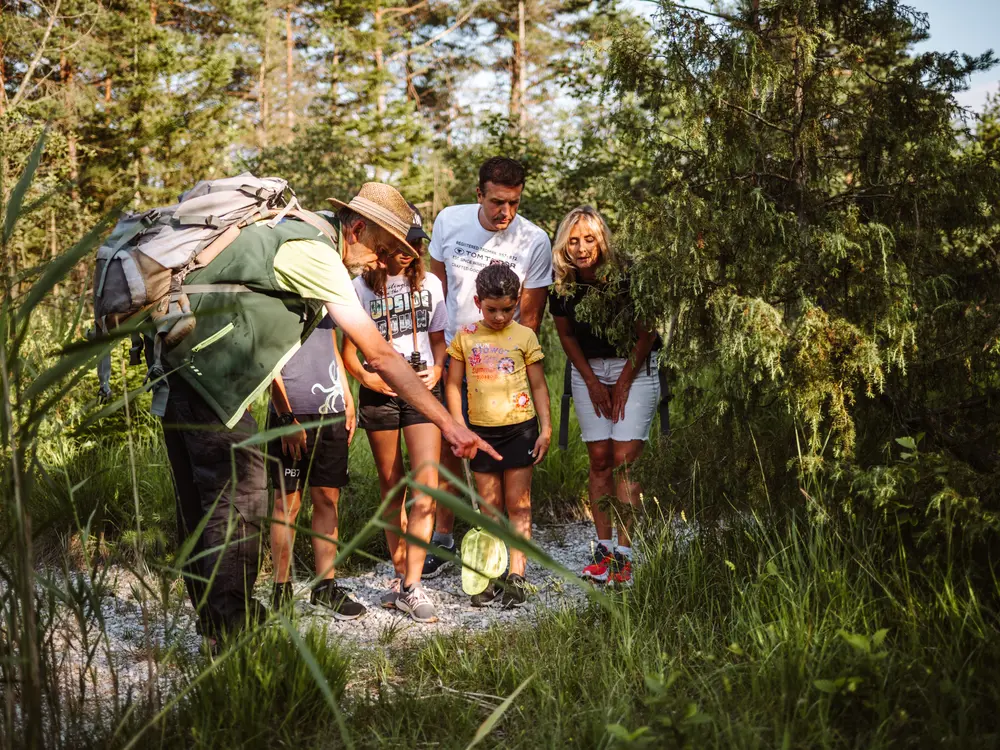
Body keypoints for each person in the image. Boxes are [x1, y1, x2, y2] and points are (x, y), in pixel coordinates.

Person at [159, 182, 498, 646]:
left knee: (203, 502)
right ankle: (229, 631)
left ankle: (215, 626)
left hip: (180, 368)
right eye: (381, 250)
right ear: (356, 228)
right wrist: (449, 423)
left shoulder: (295, 230)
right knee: (242, 496)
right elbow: (378, 354)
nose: (382, 264)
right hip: (209, 380)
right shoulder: (317, 254)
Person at [424, 157, 553, 577]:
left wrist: (502, 372)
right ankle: (441, 539)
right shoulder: (449, 221)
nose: (506, 213)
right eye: (497, 202)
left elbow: (530, 318)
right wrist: (439, 356)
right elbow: (435, 290)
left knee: (503, 471)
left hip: (500, 371)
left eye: (514, 203)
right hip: (451, 355)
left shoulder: (534, 240)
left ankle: (509, 560)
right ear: (478, 194)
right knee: (447, 448)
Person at [342, 204, 445, 623]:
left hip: (421, 389)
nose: (408, 252)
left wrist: (437, 370)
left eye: (415, 244)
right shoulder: (358, 286)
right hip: (381, 392)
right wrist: (365, 380)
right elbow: (348, 352)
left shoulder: (432, 285)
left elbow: (440, 340)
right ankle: (401, 570)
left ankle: (413, 584)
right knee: (392, 485)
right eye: (402, 244)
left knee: (427, 484)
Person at [549, 206, 661, 586]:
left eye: (589, 239)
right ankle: (602, 548)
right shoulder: (563, 284)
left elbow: (647, 332)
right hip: (589, 370)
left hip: (635, 364)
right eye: (574, 240)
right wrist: (594, 383)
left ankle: (624, 557)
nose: (581, 248)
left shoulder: (627, 276)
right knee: (599, 460)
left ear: (602, 239)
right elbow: (566, 336)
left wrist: (624, 380)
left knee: (624, 459)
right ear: (565, 245)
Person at [445, 264, 552, 607]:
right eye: (492, 309)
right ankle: (491, 574)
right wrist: (458, 427)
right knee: (489, 508)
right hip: (481, 435)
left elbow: (538, 384)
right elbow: (451, 384)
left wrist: (546, 428)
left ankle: (517, 576)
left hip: (520, 429)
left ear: (517, 301)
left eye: (508, 308)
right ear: (478, 302)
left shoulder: (525, 337)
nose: (500, 316)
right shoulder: (466, 337)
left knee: (518, 505)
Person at [267, 312, 364, 620]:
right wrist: (284, 417)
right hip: (291, 415)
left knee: (327, 499)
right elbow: (267, 361)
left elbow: (331, 345)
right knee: (287, 505)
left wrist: (347, 395)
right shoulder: (277, 299)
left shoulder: (324, 296)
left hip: (331, 411)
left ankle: (325, 589)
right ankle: (280, 591)